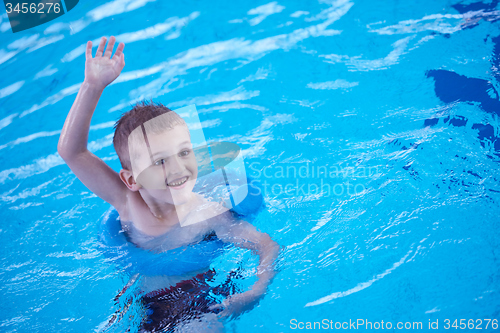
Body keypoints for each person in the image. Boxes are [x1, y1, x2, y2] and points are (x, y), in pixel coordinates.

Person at [57, 36, 280, 332]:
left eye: (184, 153)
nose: (177, 168)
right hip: (142, 301)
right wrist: (92, 86)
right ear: (132, 179)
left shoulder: (208, 213)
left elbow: (266, 246)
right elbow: (71, 152)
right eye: (160, 161)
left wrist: (255, 291)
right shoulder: (126, 202)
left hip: (196, 299)